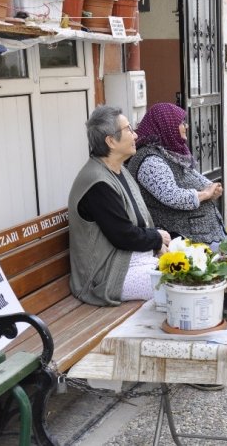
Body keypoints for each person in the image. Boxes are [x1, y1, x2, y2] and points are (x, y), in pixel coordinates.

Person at [68, 105, 170, 306]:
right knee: (178, 282)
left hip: (129, 259)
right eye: (129, 130)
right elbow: (123, 235)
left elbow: (137, 223)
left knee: (191, 259)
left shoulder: (118, 169)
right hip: (105, 277)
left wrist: (158, 240)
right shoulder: (97, 183)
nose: (136, 135)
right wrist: (157, 239)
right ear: (111, 141)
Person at [127, 103, 226, 246]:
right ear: (167, 124)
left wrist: (212, 187)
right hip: (186, 239)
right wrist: (205, 194)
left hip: (202, 235)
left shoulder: (170, 151)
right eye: (181, 122)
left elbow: (192, 175)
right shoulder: (149, 160)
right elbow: (172, 196)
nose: (186, 126)